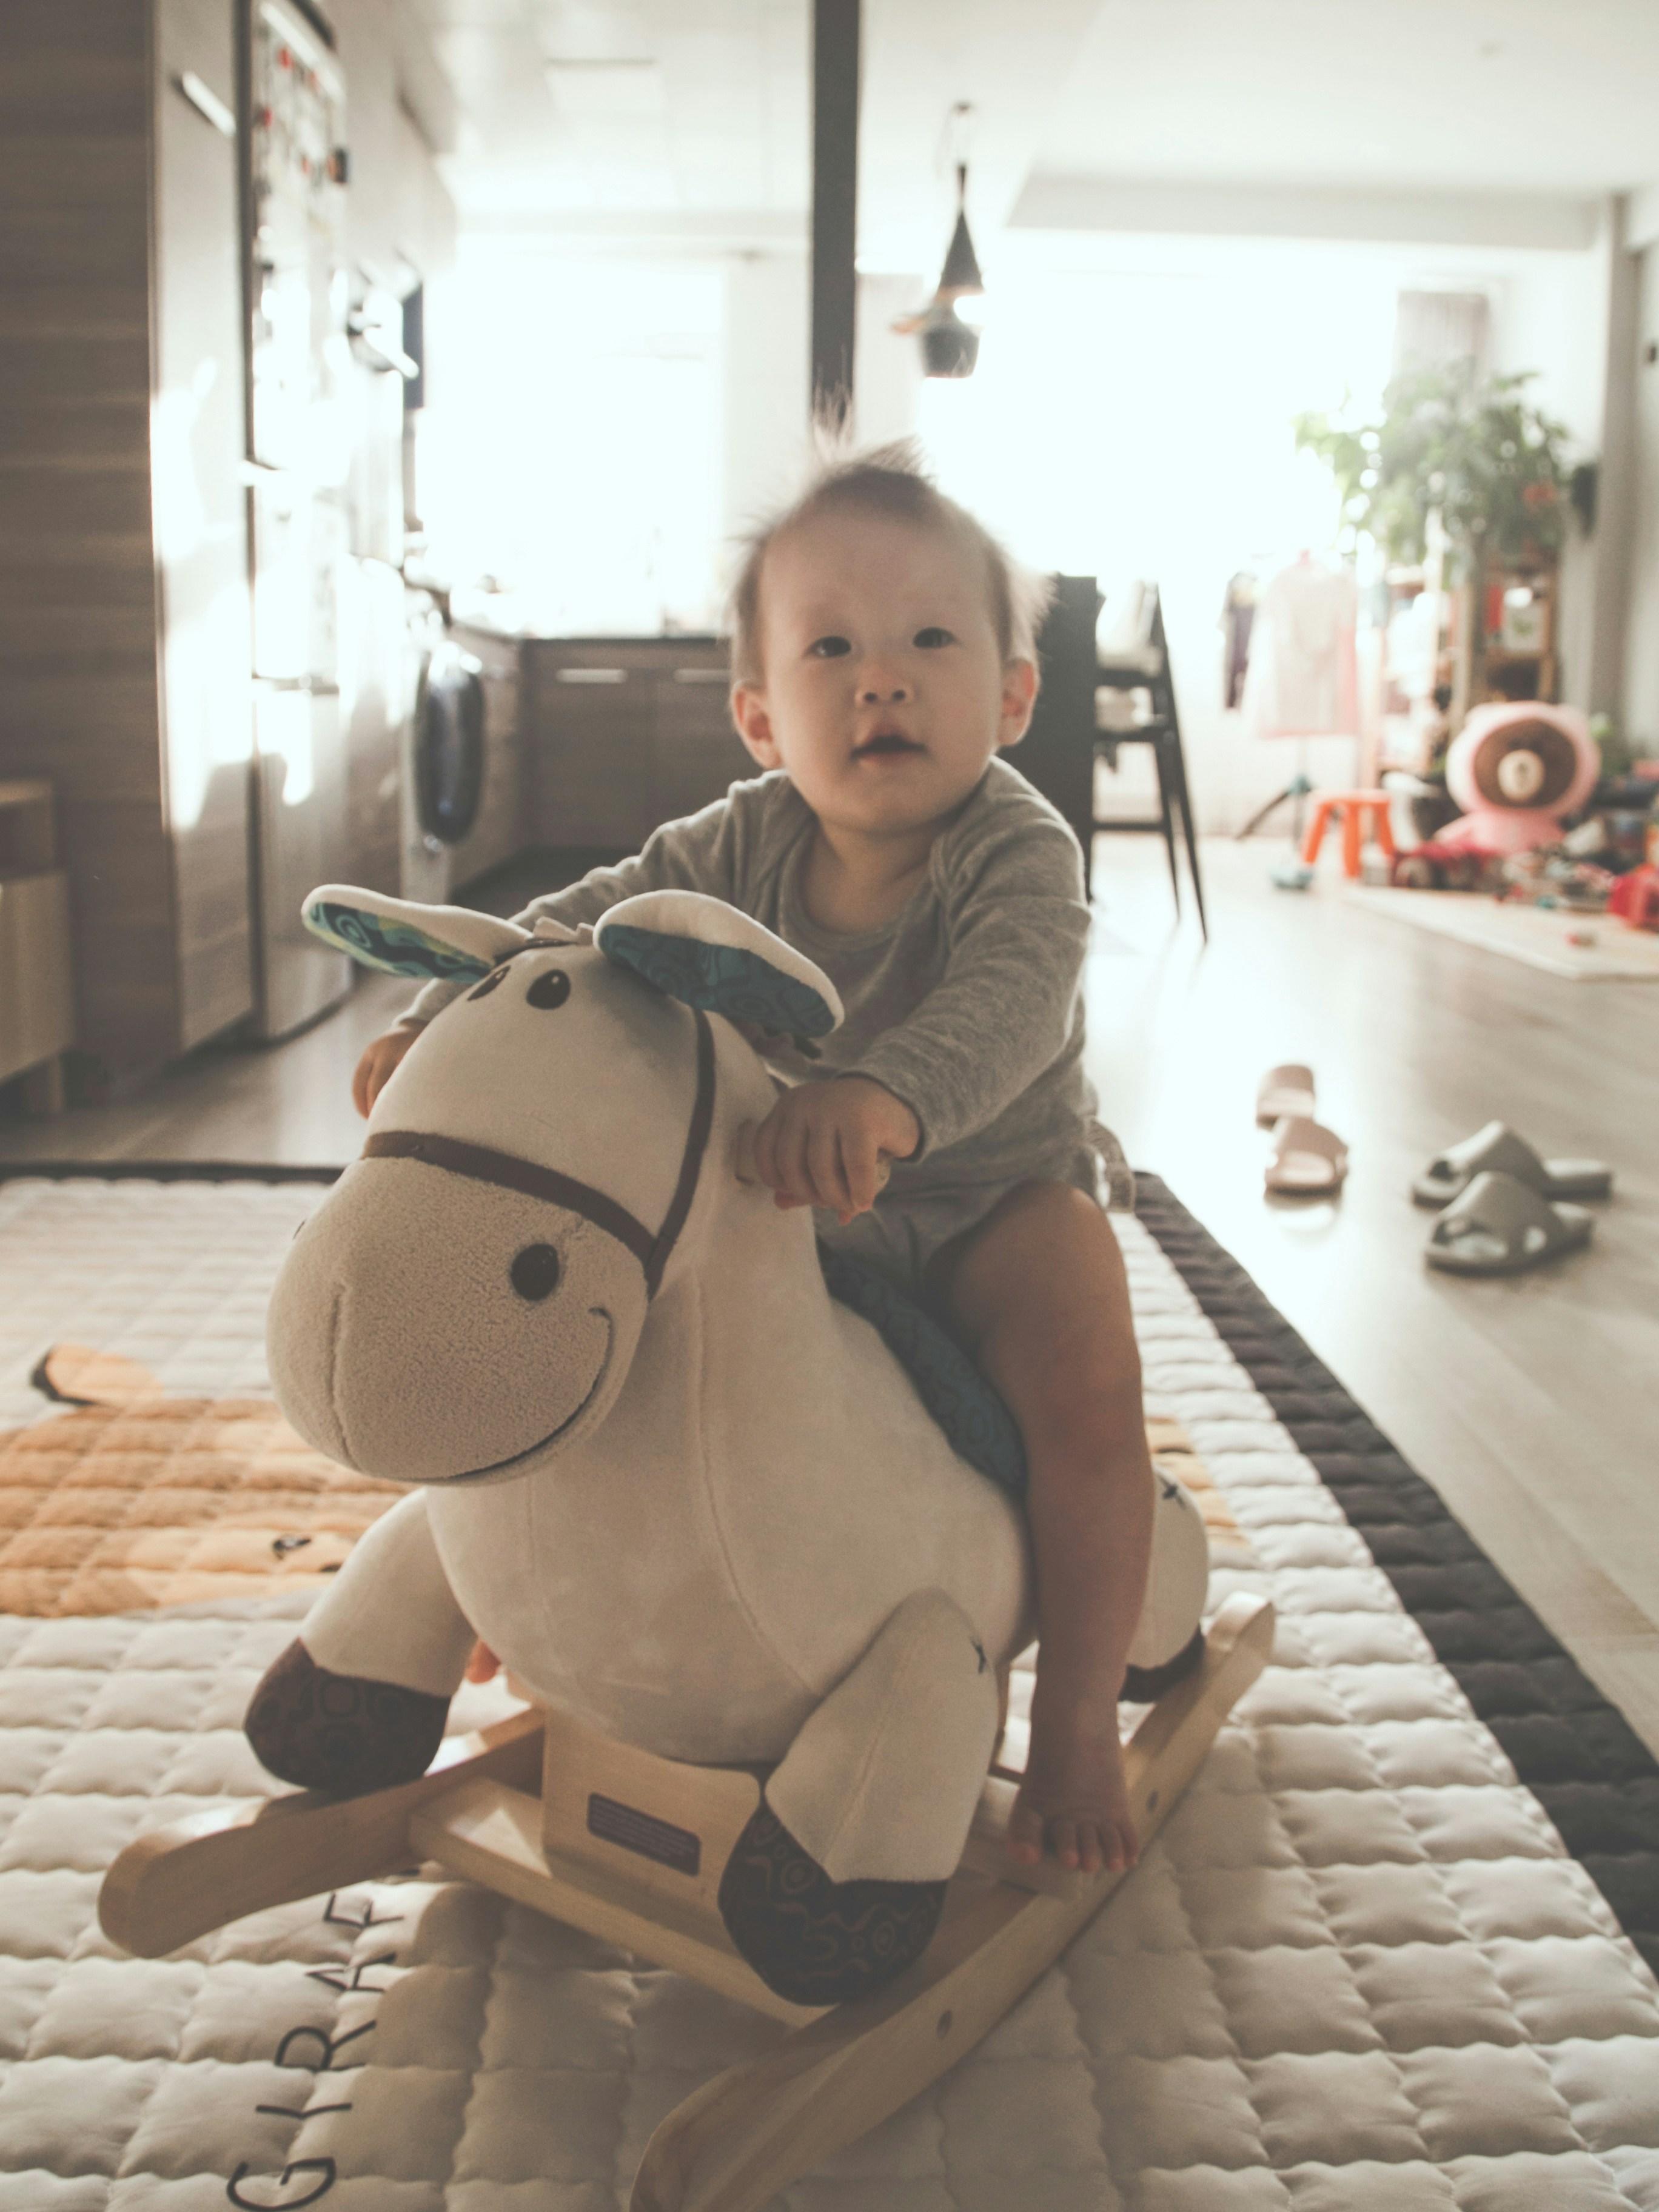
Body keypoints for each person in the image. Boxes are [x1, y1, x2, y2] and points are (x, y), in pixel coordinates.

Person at [353, 444, 1156, 1877]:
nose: (882, 681)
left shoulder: (1016, 850)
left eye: (930, 640)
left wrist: (884, 1095)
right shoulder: (732, 844)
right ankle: (549, 1582)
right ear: (761, 718)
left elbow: (1016, 1001)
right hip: (798, 1202)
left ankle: (1082, 1712)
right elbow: (574, 926)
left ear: (1013, 697)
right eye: (831, 648)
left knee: (1089, 1392)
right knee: (640, 1340)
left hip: (993, 1192)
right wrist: (433, 1014)